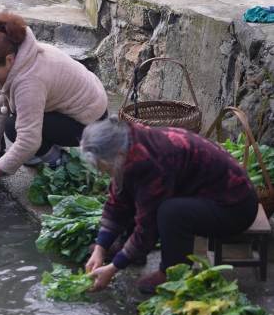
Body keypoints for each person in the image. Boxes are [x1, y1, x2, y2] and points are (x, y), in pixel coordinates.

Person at [81, 117, 258, 294]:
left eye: (103, 166)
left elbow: (147, 228)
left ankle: (172, 272)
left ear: (118, 154)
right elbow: (117, 202)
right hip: (206, 194)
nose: (102, 172)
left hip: (235, 207)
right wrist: (100, 249)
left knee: (170, 213)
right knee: (134, 192)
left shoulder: (151, 162)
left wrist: (113, 268)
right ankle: (129, 251)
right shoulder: (128, 144)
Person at [0, 13, 108, 192]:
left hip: (90, 122)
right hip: (73, 107)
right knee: (16, 123)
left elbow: (29, 140)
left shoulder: (30, 80)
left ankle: (58, 160)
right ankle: (39, 153)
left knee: (13, 128)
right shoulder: (11, 57)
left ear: (9, 60)